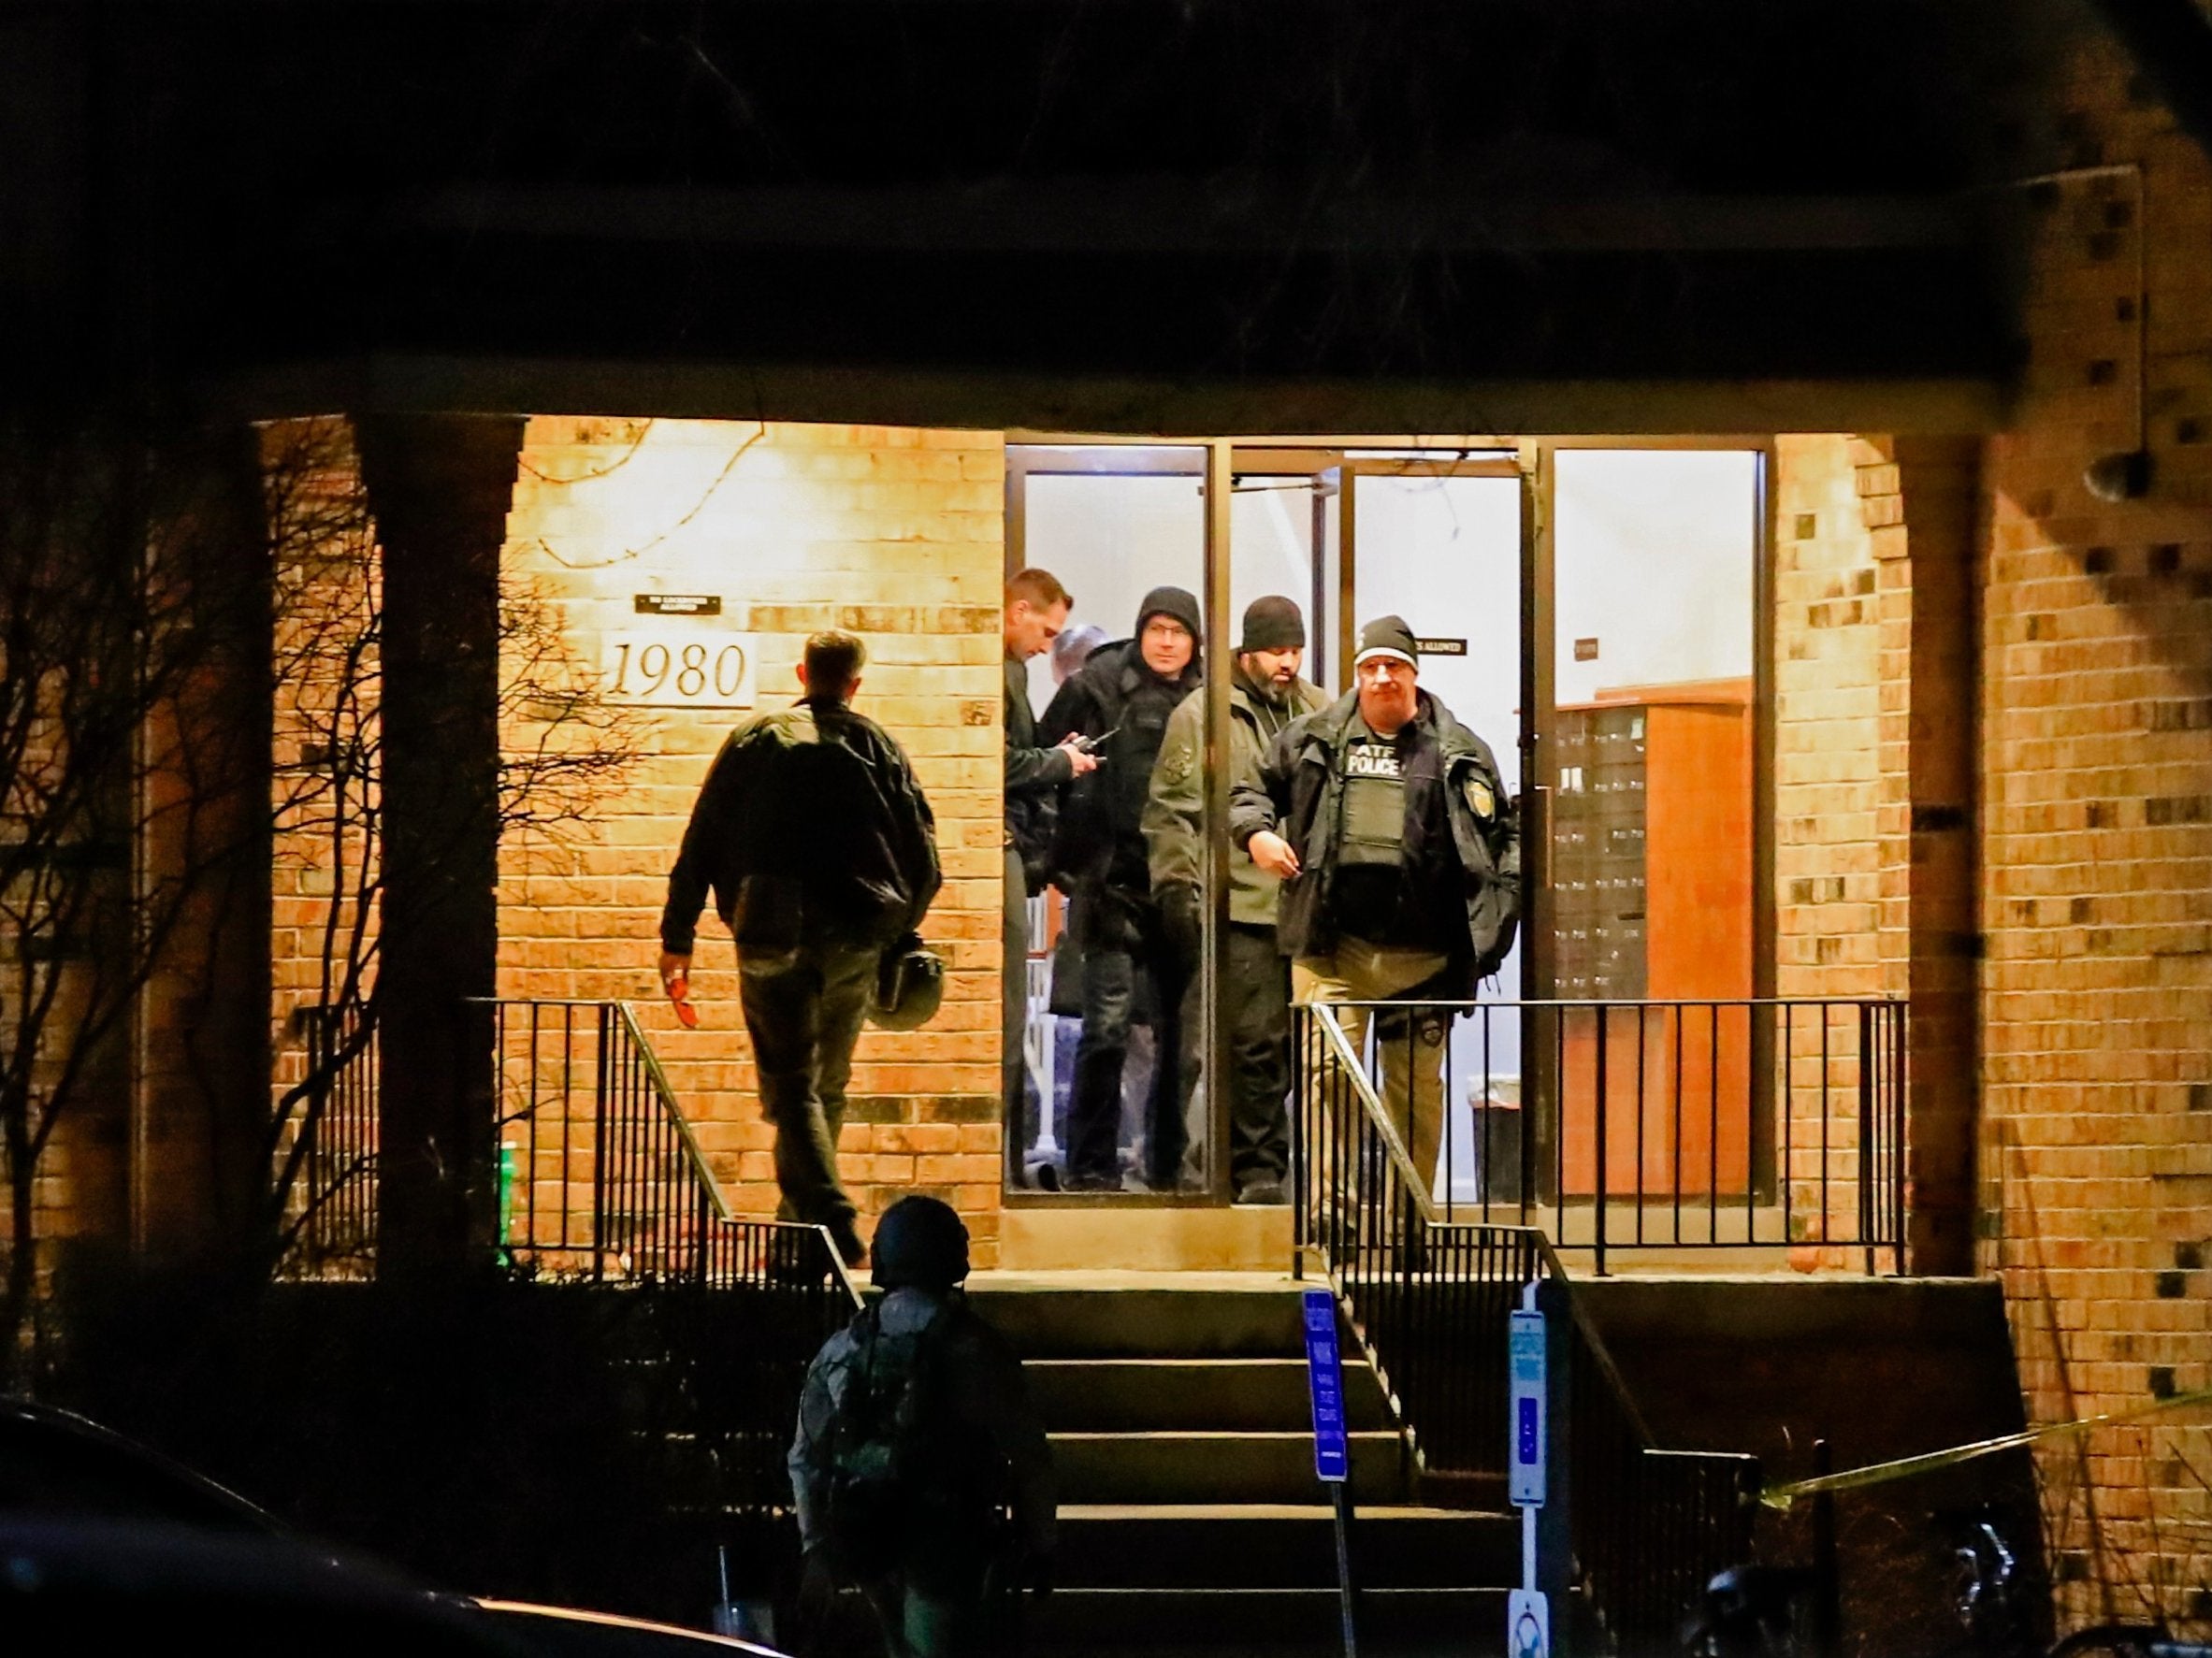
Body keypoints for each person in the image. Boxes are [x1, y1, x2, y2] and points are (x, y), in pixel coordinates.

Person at [658, 630, 941, 1267]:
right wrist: (900, 929)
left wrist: (678, 937)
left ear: (801, 672)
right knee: (825, 1084)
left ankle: (826, 1219)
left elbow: (701, 839)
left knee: (791, 1086)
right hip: (856, 932)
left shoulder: (755, 739)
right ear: (855, 683)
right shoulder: (878, 745)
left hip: (770, 926)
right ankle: (801, 1240)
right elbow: (923, 853)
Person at [1229, 614, 1520, 1199]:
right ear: (1357, 674)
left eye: (1394, 666)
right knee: (1327, 1079)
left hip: (1425, 958)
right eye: (1370, 667)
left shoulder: (1458, 749)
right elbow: (1248, 790)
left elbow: (1503, 836)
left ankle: (1409, 1220)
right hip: (1332, 949)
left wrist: (1494, 922)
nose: (1382, 677)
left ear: (1414, 673)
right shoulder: (1314, 738)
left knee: (1415, 1092)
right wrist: (1256, 834)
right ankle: (1333, 1219)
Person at [788, 1196, 1055, 1658]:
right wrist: (1042, 1541)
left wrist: (816, 1548)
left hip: (866, 1537)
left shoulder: (846, 1347)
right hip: (947, 1540)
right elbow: (1029, 1455)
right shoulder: (976, 1349)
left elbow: (806, 1456)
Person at [1143, 596, 1328, 1204]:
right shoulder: (1204, 714)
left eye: (1295, 650)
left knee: (1309, 1046)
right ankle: (1254, 1168)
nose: (1288, 662)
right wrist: (1179, 890)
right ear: (1248, 649)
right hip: (1240, 903)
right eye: (1277, 650)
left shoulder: (1320, 709)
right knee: (1252, 1043)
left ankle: (1289, 1167)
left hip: (1307, 905)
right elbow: (1172, 811)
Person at [1037, 586, 1204, 1191]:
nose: (1165, 641)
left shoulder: (1211, 696)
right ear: (1140, 631)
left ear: (1194, 640)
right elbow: (1039, 758)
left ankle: (1164, 1164)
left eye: (1177, 631)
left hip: (1179, 887)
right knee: (1104, 1028)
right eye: (1156, 628)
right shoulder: (1098, 683)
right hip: (1109, 881)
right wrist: (1056, 859)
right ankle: (1090, 1164)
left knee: (1178, 1038)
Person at [1002, 570, 1099, 1145]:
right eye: (1045, 630)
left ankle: (1009, 1156)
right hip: (1003, 851)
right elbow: (999, 764)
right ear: (1017, 610)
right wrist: (1060, 765)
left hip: (1013, 848)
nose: (1047, 646)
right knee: (1010, 1011)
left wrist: (1048, 755)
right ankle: (1003, 1156)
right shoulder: (999, 671)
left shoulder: (1011, 670)